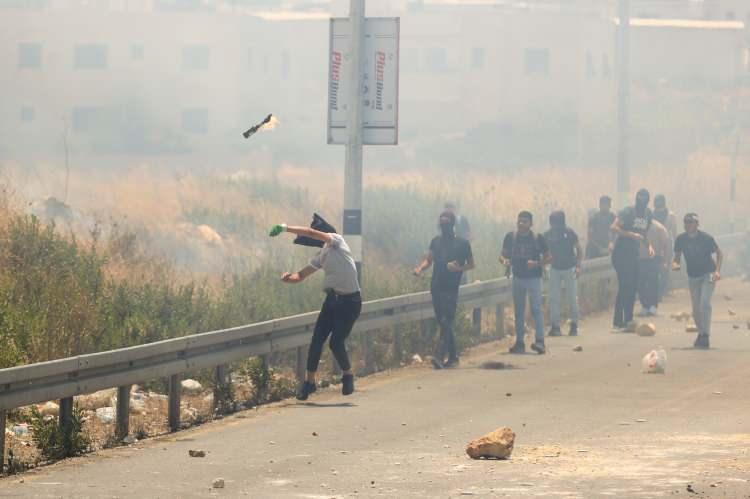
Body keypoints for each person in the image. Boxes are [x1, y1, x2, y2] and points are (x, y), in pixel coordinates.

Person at [269, 214, 362, 400]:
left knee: (336, 342)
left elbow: (312, 233)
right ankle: (309, 383)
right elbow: (301, 275)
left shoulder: (337, 241)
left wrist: (285, 227)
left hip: (350, 302)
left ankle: (348, 374)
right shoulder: (322, 255)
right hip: (332, 301)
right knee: (316, 340)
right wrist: (289, 278)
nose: (315, 238)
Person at [414, 211, 475, 369]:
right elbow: (429, 259)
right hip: (436, 286)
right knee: (443, 321)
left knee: (447, 320)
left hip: (451, 287)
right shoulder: (436, 241)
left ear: (452, 224)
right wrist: (420, 269)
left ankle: (440, 355)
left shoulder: (462, 244)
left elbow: (471, 265)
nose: (444, 226)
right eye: (442, 223)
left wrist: (458, 268)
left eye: (446, 223)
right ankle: (453, 356)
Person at [501, 211, 550, 354]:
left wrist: (536, 263)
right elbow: (502, 255)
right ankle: (520, 342)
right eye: (519, 221)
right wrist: (504, 261)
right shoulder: (511, 237)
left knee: (536, 309)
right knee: (519, 312)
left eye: (525, 221)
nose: (521, 224)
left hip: (534, 278)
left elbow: (549, 258)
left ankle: (540, 342)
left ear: (531, 223)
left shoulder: (537, 238)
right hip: (518, 277)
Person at [673, 213, 722, 349]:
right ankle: (701, 334)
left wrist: (717, 271)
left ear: (697, 224)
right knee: (695, 309)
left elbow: (719, 253)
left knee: (705, 303)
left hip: (710, 273)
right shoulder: (681, 239)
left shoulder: (706, 238)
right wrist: (675, 264)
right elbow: (677, 256)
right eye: (686, 222)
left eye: (691, 222)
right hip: (693, 276)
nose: (688, 224)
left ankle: (705, 335)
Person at [610, 189, 654, 331]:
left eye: (644, 201)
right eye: (639, 200)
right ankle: (618, 321)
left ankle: (628, 320)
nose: (641, 203)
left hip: (634, 254)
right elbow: (614, 227)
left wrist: (649, 246)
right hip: (621, 252)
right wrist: (630, 235)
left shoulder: (648, 214)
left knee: (633, 286)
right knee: (625, 286)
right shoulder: (628, 211)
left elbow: (643, 234)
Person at [544, 210, 582, 336]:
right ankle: (555, 326)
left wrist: (578, 266)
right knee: (554, 298)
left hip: (569, 268)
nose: (555, 226)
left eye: (557, 222)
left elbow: (579, 249)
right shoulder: (547, 235)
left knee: (572, 297)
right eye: (553, 223)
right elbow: (543, 251)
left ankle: (574, 325)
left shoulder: (569, 233)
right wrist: (544, 266)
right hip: (554, 269)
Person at [637, 218, 670, 317]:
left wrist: (666, 260)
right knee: (640, 283)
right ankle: (644, 305)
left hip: (654, 259)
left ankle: (653, 306)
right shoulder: (637, 225)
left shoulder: (658, 227)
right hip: (640, 259)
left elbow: (666, 244)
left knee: (653, 283)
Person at [653, 194, 677, 298]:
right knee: (655, 268)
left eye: (658, 202)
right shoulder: (651, 214)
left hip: (667, 245)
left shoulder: (671, 215)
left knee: (665, 268)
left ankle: (661, 291)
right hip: (654, 245)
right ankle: (658, 291)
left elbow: (674, 232)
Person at [444, 202, 472, 285]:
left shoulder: (461, 219)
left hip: (460, 252)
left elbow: (469, 234)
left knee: (461, 274)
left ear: (454, 209)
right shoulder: (444, 222)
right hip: (448, 253)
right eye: (447, 210)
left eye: (451, 209)